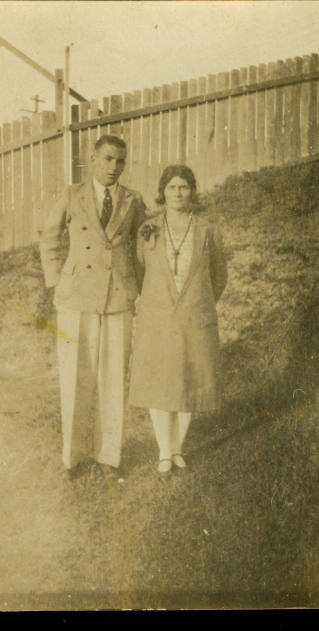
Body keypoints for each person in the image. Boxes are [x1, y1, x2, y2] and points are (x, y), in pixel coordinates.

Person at [40, 135, 147, 479]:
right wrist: (58, 280)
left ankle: (109, 456)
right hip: (76, 298)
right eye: (108, 160)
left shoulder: (133, 200)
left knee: (113, 378)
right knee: (75, 377)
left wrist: (139, 290)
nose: (114, 168)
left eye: (120, 161)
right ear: (93, 159)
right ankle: (71, 458)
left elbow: (140, 248)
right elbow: (49, 237)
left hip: (118, 297)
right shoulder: (72, 195)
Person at [129, 165, 227, 473]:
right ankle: (162, 451)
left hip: (193, 317)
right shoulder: (149, 229)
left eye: (184, 187)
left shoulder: (207, 231)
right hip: (157, 319)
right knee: (159, 383)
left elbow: (219, 277)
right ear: (163, 192)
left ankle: (178, 448)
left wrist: (198, 303)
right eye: (172, 187)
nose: (178, 192)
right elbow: (139, 270)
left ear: (193, 191)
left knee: (191, 381)